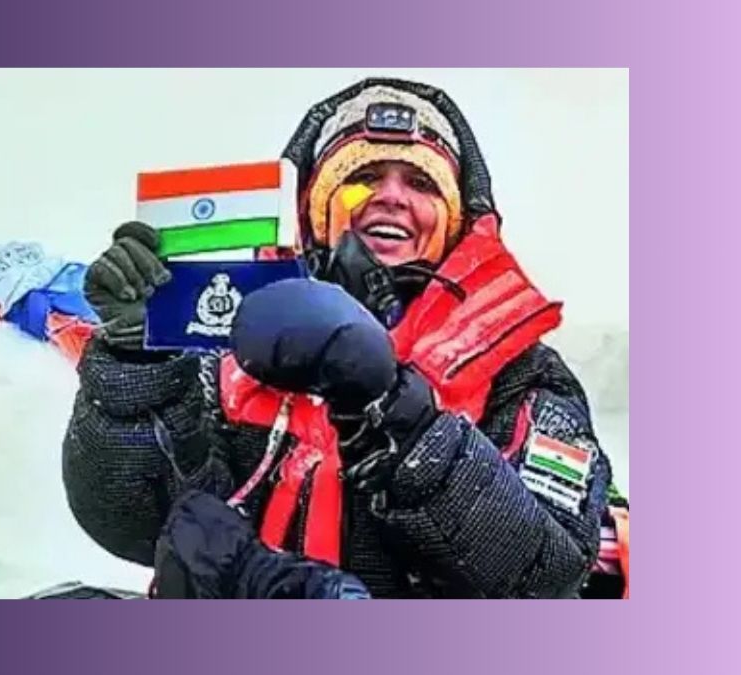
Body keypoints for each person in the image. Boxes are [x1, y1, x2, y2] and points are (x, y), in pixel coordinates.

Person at [64, 78, 629, 598]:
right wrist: (136, 364)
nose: (390, 196)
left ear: (455, 221)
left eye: (421, 183)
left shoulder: (523, 375)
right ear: (313, 211)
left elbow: (548, 572)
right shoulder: (230, 343)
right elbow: (132, 522)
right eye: (360, 179)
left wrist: (397, 415)